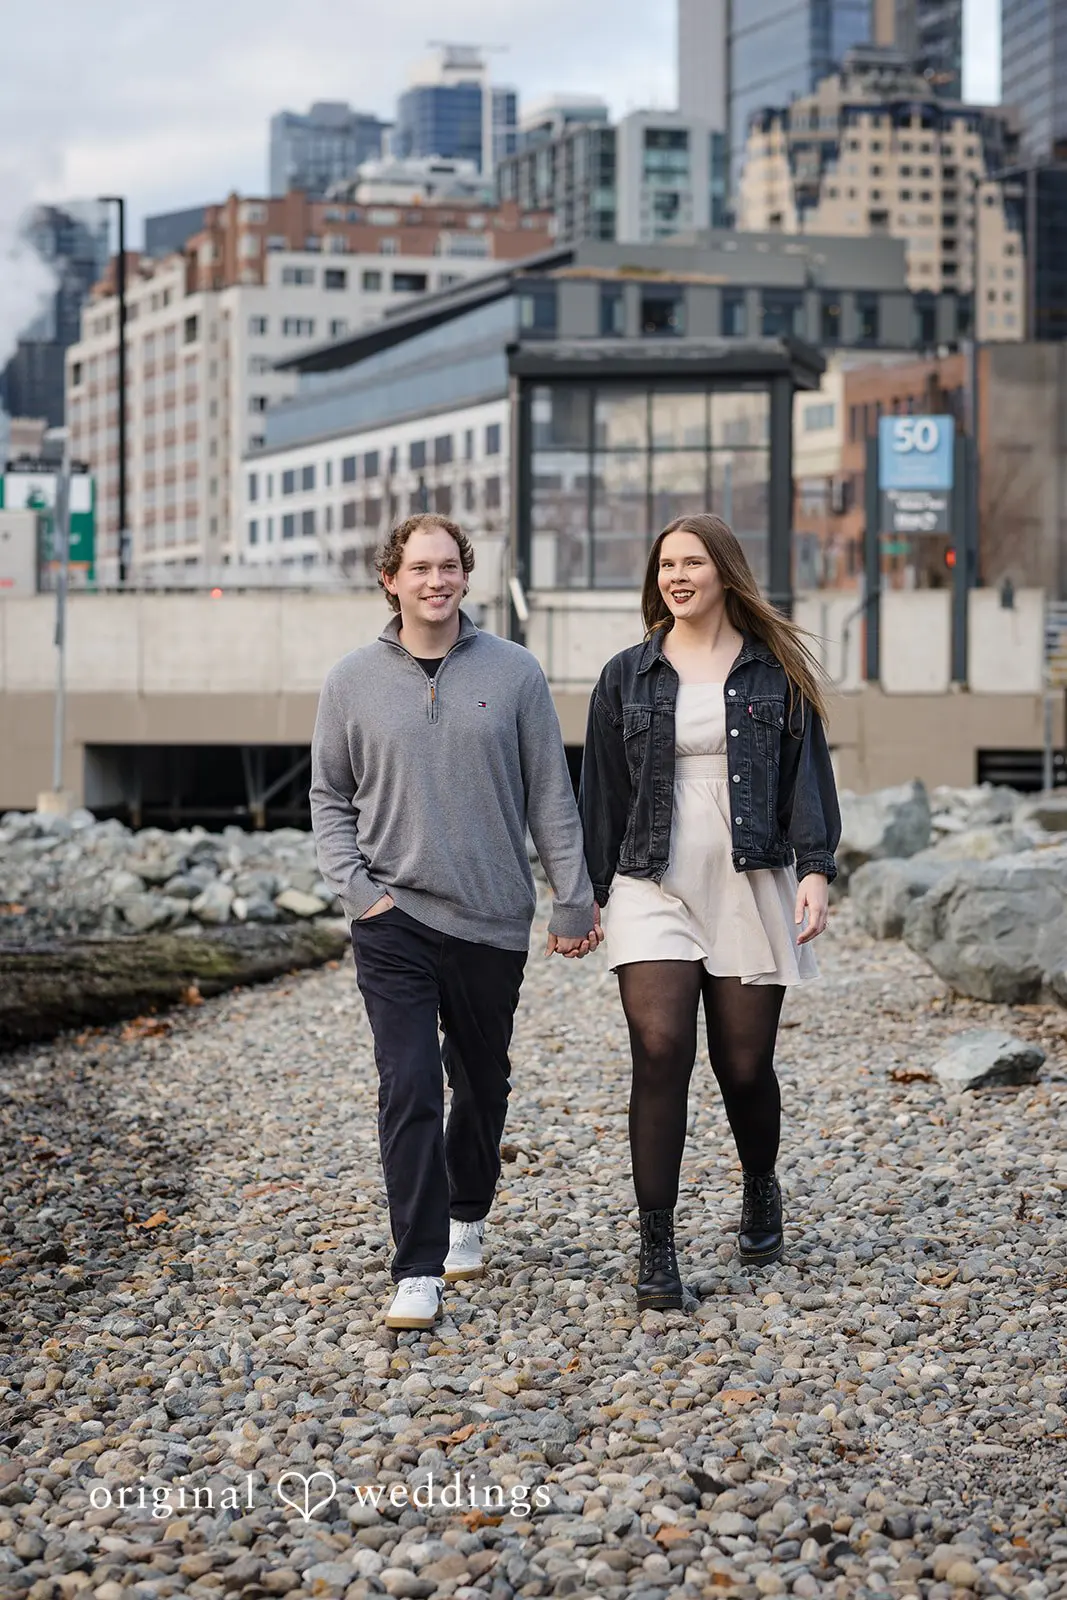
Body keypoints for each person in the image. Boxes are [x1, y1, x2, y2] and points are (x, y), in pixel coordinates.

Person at [310, 513, 601, 1331]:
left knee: (480, 1081)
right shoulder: (350, 680)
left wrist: (572, 897)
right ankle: (416, 1266)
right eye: (419, 568)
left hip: (490, 919)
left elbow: (550, 791)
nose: (435, 581)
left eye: (448, 567)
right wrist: (358, 893)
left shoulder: (514, 673)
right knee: (406, 1084)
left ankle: (468, 1209)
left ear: (465, 577)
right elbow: (329, 795)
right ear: (390, 579)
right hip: (391, 917)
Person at [579, 514, 841, 1312]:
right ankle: (656, 1250)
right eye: (665, 564)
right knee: (659, 1050)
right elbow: (601, 792)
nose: (676, 575)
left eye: (692, 562)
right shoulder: (627, 674)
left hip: (747, 877)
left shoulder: (774, 673)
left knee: (743, 1064)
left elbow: (807, 780)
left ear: (725, 571)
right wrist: (585, 894)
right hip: (649, 880)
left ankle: (759, 1185)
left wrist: (816, 871)